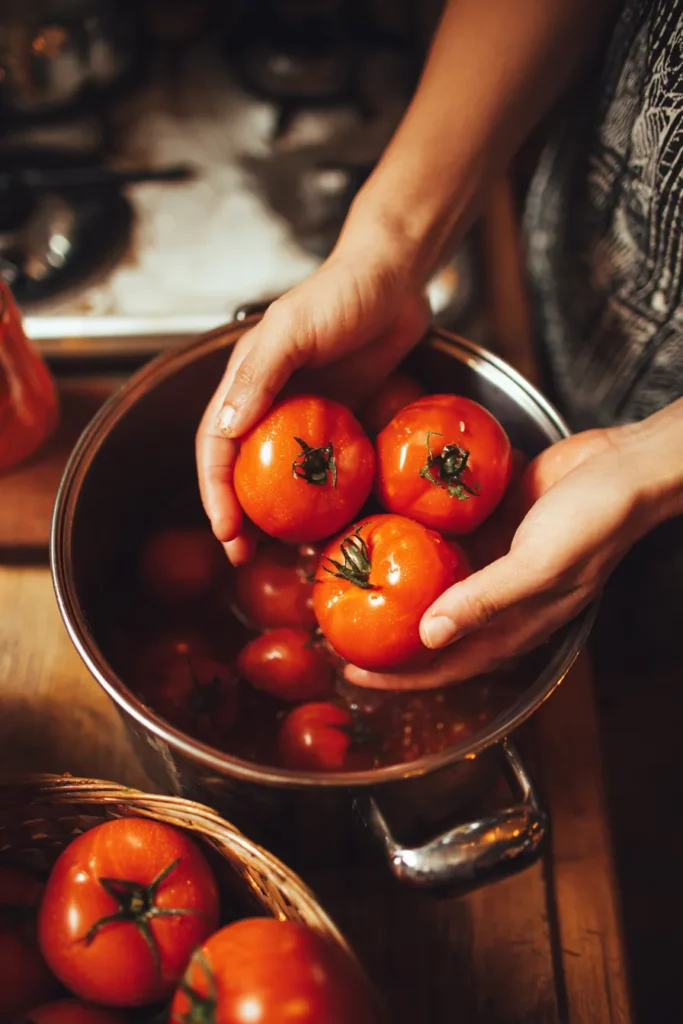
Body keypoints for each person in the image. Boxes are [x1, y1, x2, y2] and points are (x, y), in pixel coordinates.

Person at [197, 0, 683, 690]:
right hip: (587, 253)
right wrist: (384, 248)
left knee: (641, 646)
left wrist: (659, 460)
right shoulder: (396, 470)